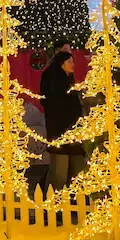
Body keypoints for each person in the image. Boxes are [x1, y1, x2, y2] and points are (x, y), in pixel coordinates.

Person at [41, 50, 85, 191]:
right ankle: (54, 201)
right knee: (59, 173)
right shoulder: (54, 83)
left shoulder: (70, 81)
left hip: (74, 134)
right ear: (61, 64)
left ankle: (74, 199)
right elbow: (52, 106)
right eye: (69, 61)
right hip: (59, 133)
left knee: (76, 170)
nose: (73, 64)